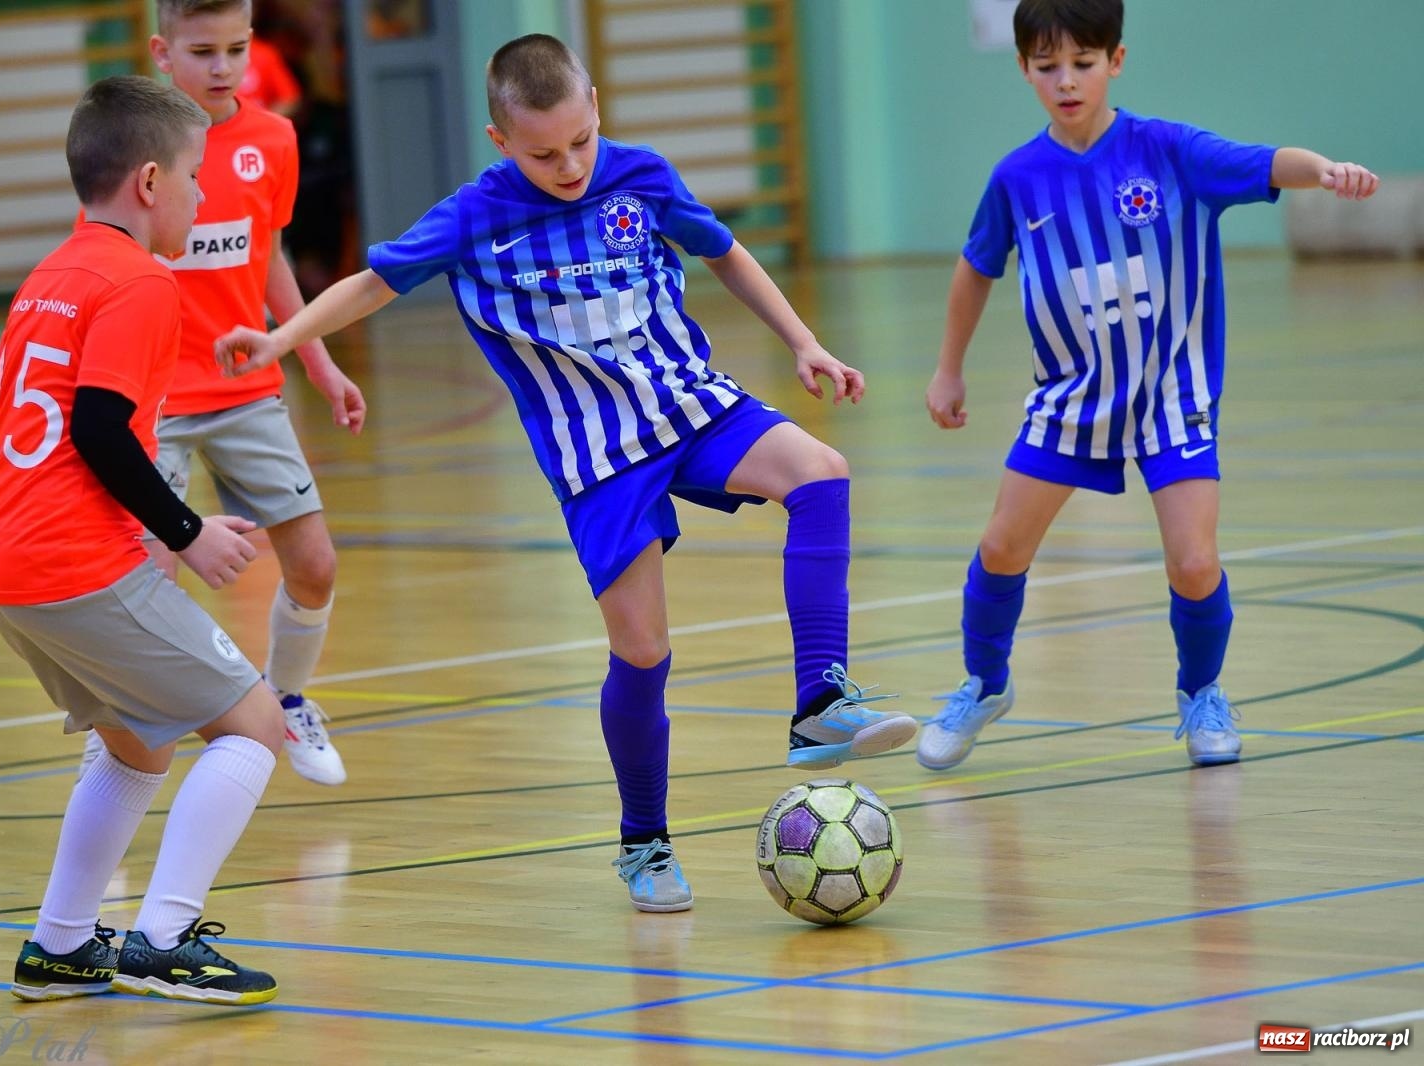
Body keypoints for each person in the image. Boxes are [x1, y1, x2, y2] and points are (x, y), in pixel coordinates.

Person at [214, 33, 920, 913]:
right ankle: (644, 840)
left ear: (595, 109)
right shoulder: (474, 214)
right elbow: (371, 284)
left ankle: (820, 701)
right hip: (597, 455)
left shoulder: (641, 176)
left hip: (688, 402)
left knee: (820, 472)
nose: (571, 165)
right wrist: (281, 340)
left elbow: (724, 251)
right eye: (544, 154)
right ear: (500, 140)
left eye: (582, 141)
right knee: (643, 650)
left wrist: (804, 342)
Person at [915, 0, 1379, 772]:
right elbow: (975, 268)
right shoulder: (1016, 178)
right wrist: (948, 368)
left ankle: (1202, 694)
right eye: (1047, 67)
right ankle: (984, 685)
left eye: (1083, 63)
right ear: (1024, 68)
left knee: (1194, 563)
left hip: (1171, 395)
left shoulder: (1170, 151)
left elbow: (1268, 161)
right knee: (1000, 547)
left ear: (1116, 61)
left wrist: (1323, 172)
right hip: (1071, 399)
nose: (1066, 81)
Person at [0, 75, 280, 1004]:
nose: (202, 195)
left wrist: (21, 524)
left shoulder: (51, 274)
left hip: (9, 569)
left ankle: (61, 945)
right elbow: (102, 428)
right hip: (76, 567)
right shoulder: (142, 280)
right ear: (150, 182)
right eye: (194, 176)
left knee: (137, 746)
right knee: (255, 724)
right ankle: (164, 938)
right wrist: (185, 533)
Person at [80, 0, 366, 787]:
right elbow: (99, 265)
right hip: (155, 403)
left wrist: (318, 362)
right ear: (161, 51)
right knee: (148, 588)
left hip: (246, 391)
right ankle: (116, 737)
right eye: (202, 50)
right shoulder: (133, 150)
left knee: (314, 564)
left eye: (236, 49)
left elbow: (268, 257)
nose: (222, 67)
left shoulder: (273, 140)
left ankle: (288, 697)